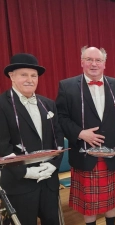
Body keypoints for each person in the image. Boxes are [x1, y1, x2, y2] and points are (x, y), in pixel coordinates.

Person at [55, 46, 115, 225]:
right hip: (84, 155)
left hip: (112, 156)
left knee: (112, 200)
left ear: (104, 64)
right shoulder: (67, 86)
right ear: (82, 62)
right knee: (88, 205)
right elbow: (61, 118)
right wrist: (80, 133)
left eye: (98, 60)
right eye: (89, 59)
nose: (94, 64)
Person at [0, 53, 64, 225]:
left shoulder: (48, 104)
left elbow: (57, 137)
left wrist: (53, 165)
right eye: (24, 75)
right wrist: (26, 172)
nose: (30, 79)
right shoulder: (2, 105)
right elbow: (2, 146)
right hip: (19, 183)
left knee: (52, 221)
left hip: (48, 180)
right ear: (11, 76)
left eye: (33, 75)